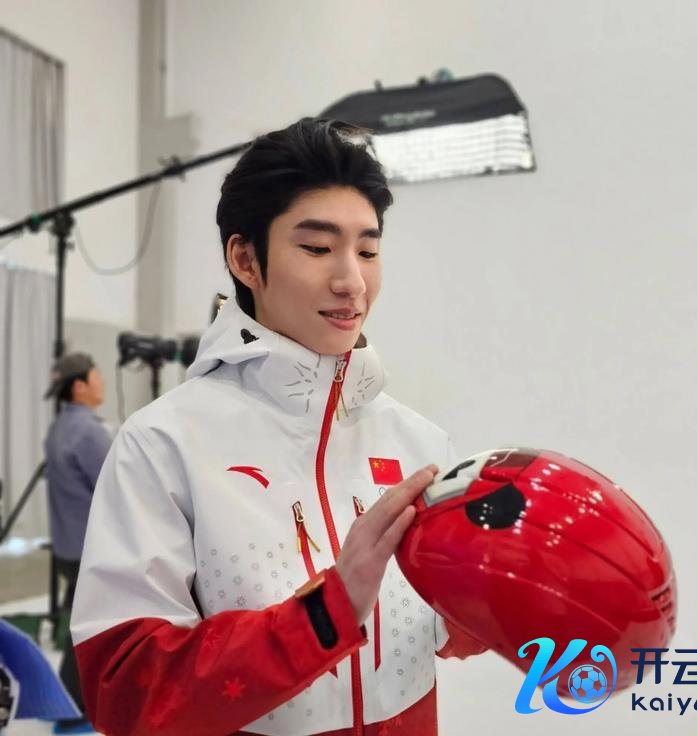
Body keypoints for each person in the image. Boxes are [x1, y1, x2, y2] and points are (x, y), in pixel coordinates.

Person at [72, 118, 486, 736]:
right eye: (317, 248)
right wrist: (325, 614)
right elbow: (125, 689)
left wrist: (508, 605)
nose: (351, 281)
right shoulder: (164, 445)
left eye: (368, 251)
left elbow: (442, 628)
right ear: (245, 259)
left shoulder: (419, 443)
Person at [42, 352, 112, 733]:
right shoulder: (87, 432)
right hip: (89, 546)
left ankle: (64, 698)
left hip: (67, 546)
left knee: (77, 620)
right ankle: (73, 706)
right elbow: (114, 483)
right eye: (97, 375)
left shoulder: (59, 428)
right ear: (80, 386)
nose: (102, 382)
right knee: (89, 627)